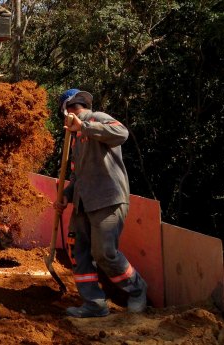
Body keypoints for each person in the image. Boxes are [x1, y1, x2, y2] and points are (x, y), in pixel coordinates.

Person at [54, 89, 148, 318]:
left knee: (104, 253)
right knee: (78, 253)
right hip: (83, 203)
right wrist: (66, 194)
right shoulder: (74, 140)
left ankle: (137, 289)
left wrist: (85, 127)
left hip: (107, 200)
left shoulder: (97, 119)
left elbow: (122, 133)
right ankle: (94, 303)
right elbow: (78, 176)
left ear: (68, 109)